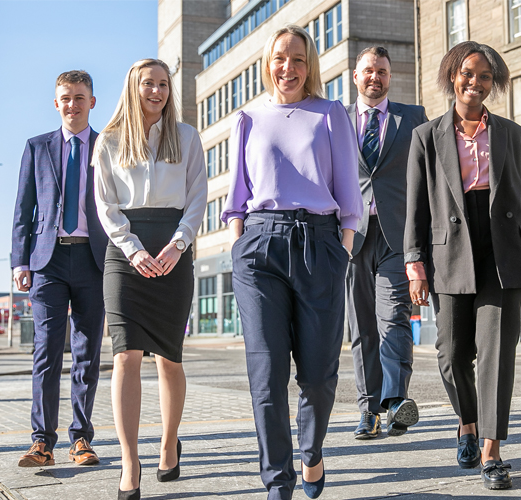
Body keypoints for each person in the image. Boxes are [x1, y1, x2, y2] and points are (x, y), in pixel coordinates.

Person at [222, 25, 362, 500]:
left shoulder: (330, 114)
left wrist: (341, 250)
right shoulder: (248, 118)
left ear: (311, 66)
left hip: (319, 244)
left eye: (298, 59)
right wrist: (240, 245)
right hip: (259, 247)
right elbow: (236, 199)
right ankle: (277, 483)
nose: (289, 68)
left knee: (319, 377)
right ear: (268, 63)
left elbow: (349, 195)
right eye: (280, 58)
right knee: (266, 374)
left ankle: (311, 451)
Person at [404, 41, 521, 490]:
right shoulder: (426, 136)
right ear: (453, 75)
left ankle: (491, 451)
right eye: (469, 73)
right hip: (450, 250)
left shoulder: (511, 134)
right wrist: (415, 265)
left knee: (496, 353)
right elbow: (415, 210)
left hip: (504, 250)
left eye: (485, 77)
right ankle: (467, 421)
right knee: (450, 355)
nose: (476, 82)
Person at [93, 58, 207, 499]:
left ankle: (167, 440)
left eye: (163, 84)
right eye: (148, 84)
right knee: (126, 357)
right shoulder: (109, 140)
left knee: (169, 358)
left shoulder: (188, 136)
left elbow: (199, 194)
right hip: (126, 255)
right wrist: (134, 249)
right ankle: (129, 460)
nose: (157, 92)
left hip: (175, 249)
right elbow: (106, 205)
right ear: (133, 88)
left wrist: (178, 244)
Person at [11, 70, 108, 468]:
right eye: (65, 97)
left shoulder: (109, 148)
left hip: (94, 260)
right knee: (46, 353)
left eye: (80, 97)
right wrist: (20, 259)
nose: (72, 104)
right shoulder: (37, 147)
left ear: (92, 102)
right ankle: (41, 442)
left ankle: (81, 440)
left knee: (87, 354)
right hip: (47, 262)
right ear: (56, 103)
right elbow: (23, 208)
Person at [345, 46, 428, 440]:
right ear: (355, 76)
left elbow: (426, 178)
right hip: (351, 237)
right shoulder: (338, 119)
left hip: (398, 235)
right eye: (368, 71)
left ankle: (395, 403)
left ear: (390, 77)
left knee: (393, 319)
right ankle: (368, 410)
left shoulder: (412, 117)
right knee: (361, 328)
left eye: (381, 71)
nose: (374, 77)